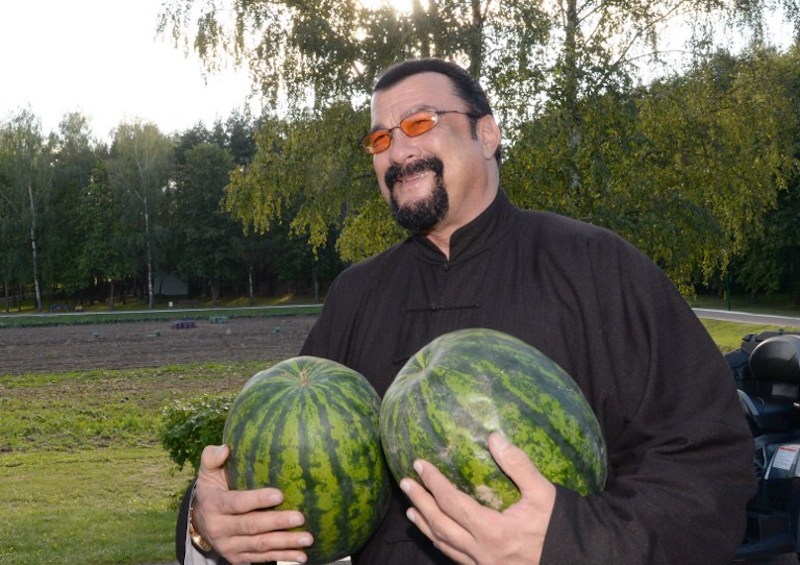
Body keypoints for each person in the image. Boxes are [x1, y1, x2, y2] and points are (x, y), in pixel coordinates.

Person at [177, 57, 756, 564]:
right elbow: (286, 471)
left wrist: (568, 546)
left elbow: (708, 464)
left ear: (488, 133)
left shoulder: (595, 265)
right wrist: (210, 522)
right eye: (380, 140)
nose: (398, 150)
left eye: (420, 123)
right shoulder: (355, 296)